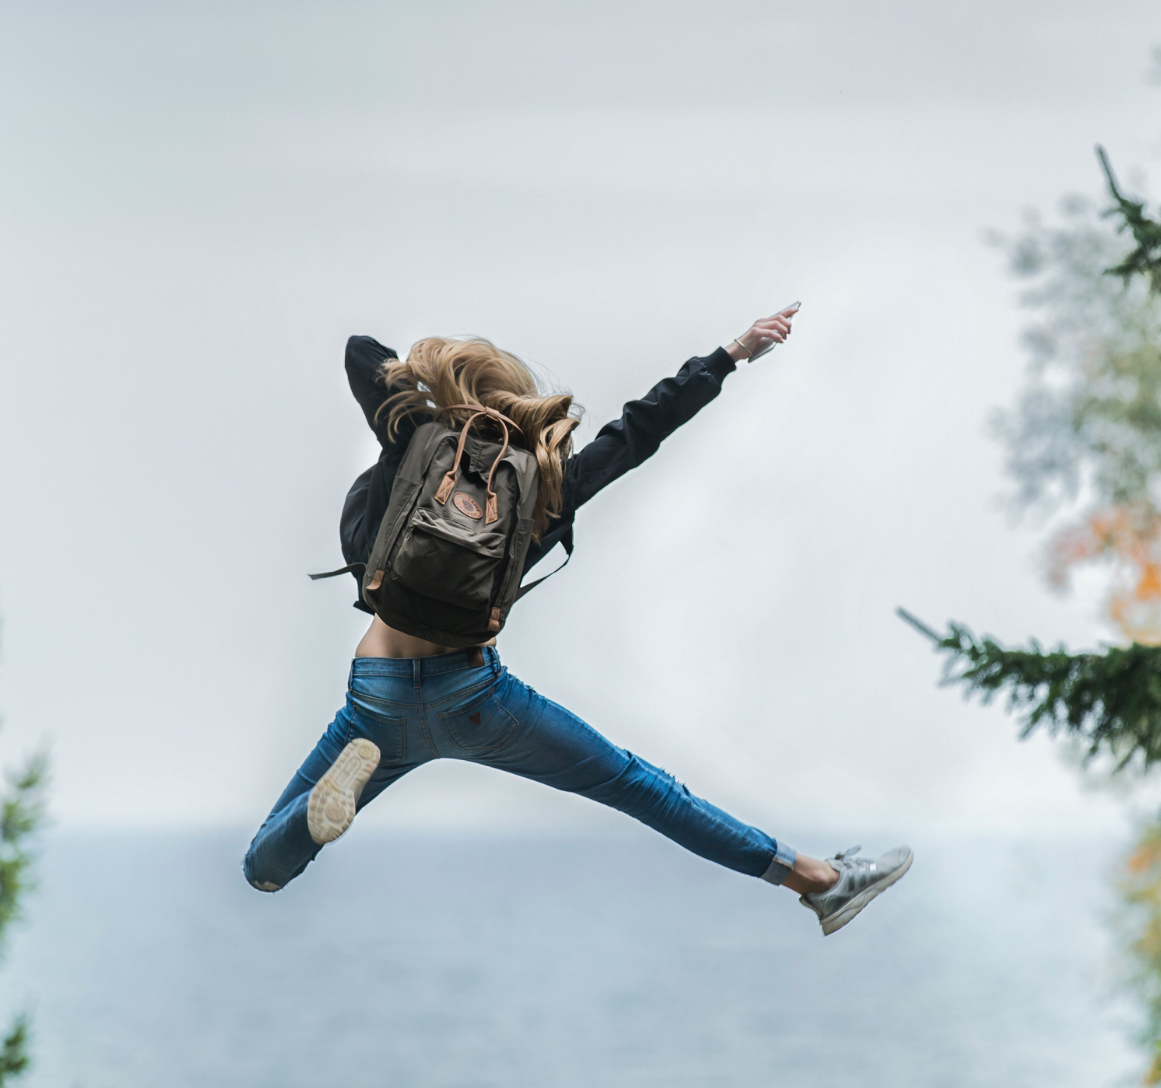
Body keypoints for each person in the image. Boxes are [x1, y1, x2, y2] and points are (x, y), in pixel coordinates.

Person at [241, 307, 913, 935]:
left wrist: (436, 398)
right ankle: (817, 882)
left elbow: (364, 354)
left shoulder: (414, 443)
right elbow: (637, 433)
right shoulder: (542, 484)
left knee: (262, 868)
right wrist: (730, 354)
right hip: (475, 698)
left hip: (378, 695)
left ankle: (310, 820)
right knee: (641, 788)